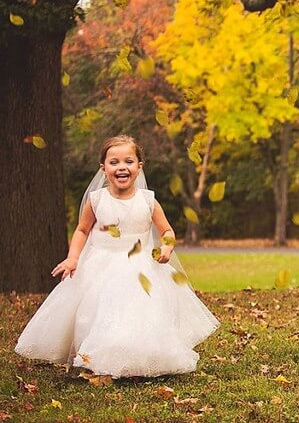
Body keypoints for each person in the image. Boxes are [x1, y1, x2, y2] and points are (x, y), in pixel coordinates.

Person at [15, 135, 219, 378]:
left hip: (141, 266)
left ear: (139, 167)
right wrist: (73, 258)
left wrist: (166, 247)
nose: (121, 167)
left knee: (143, 311)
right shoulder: (97, 200)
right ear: (103, 168)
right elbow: (82, 230)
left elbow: (166, 231)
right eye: (114, 162)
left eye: (128, 161)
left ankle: (146, 354)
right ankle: (99, 355)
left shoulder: (148, 200)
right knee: (100, 309)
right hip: (102, 264)